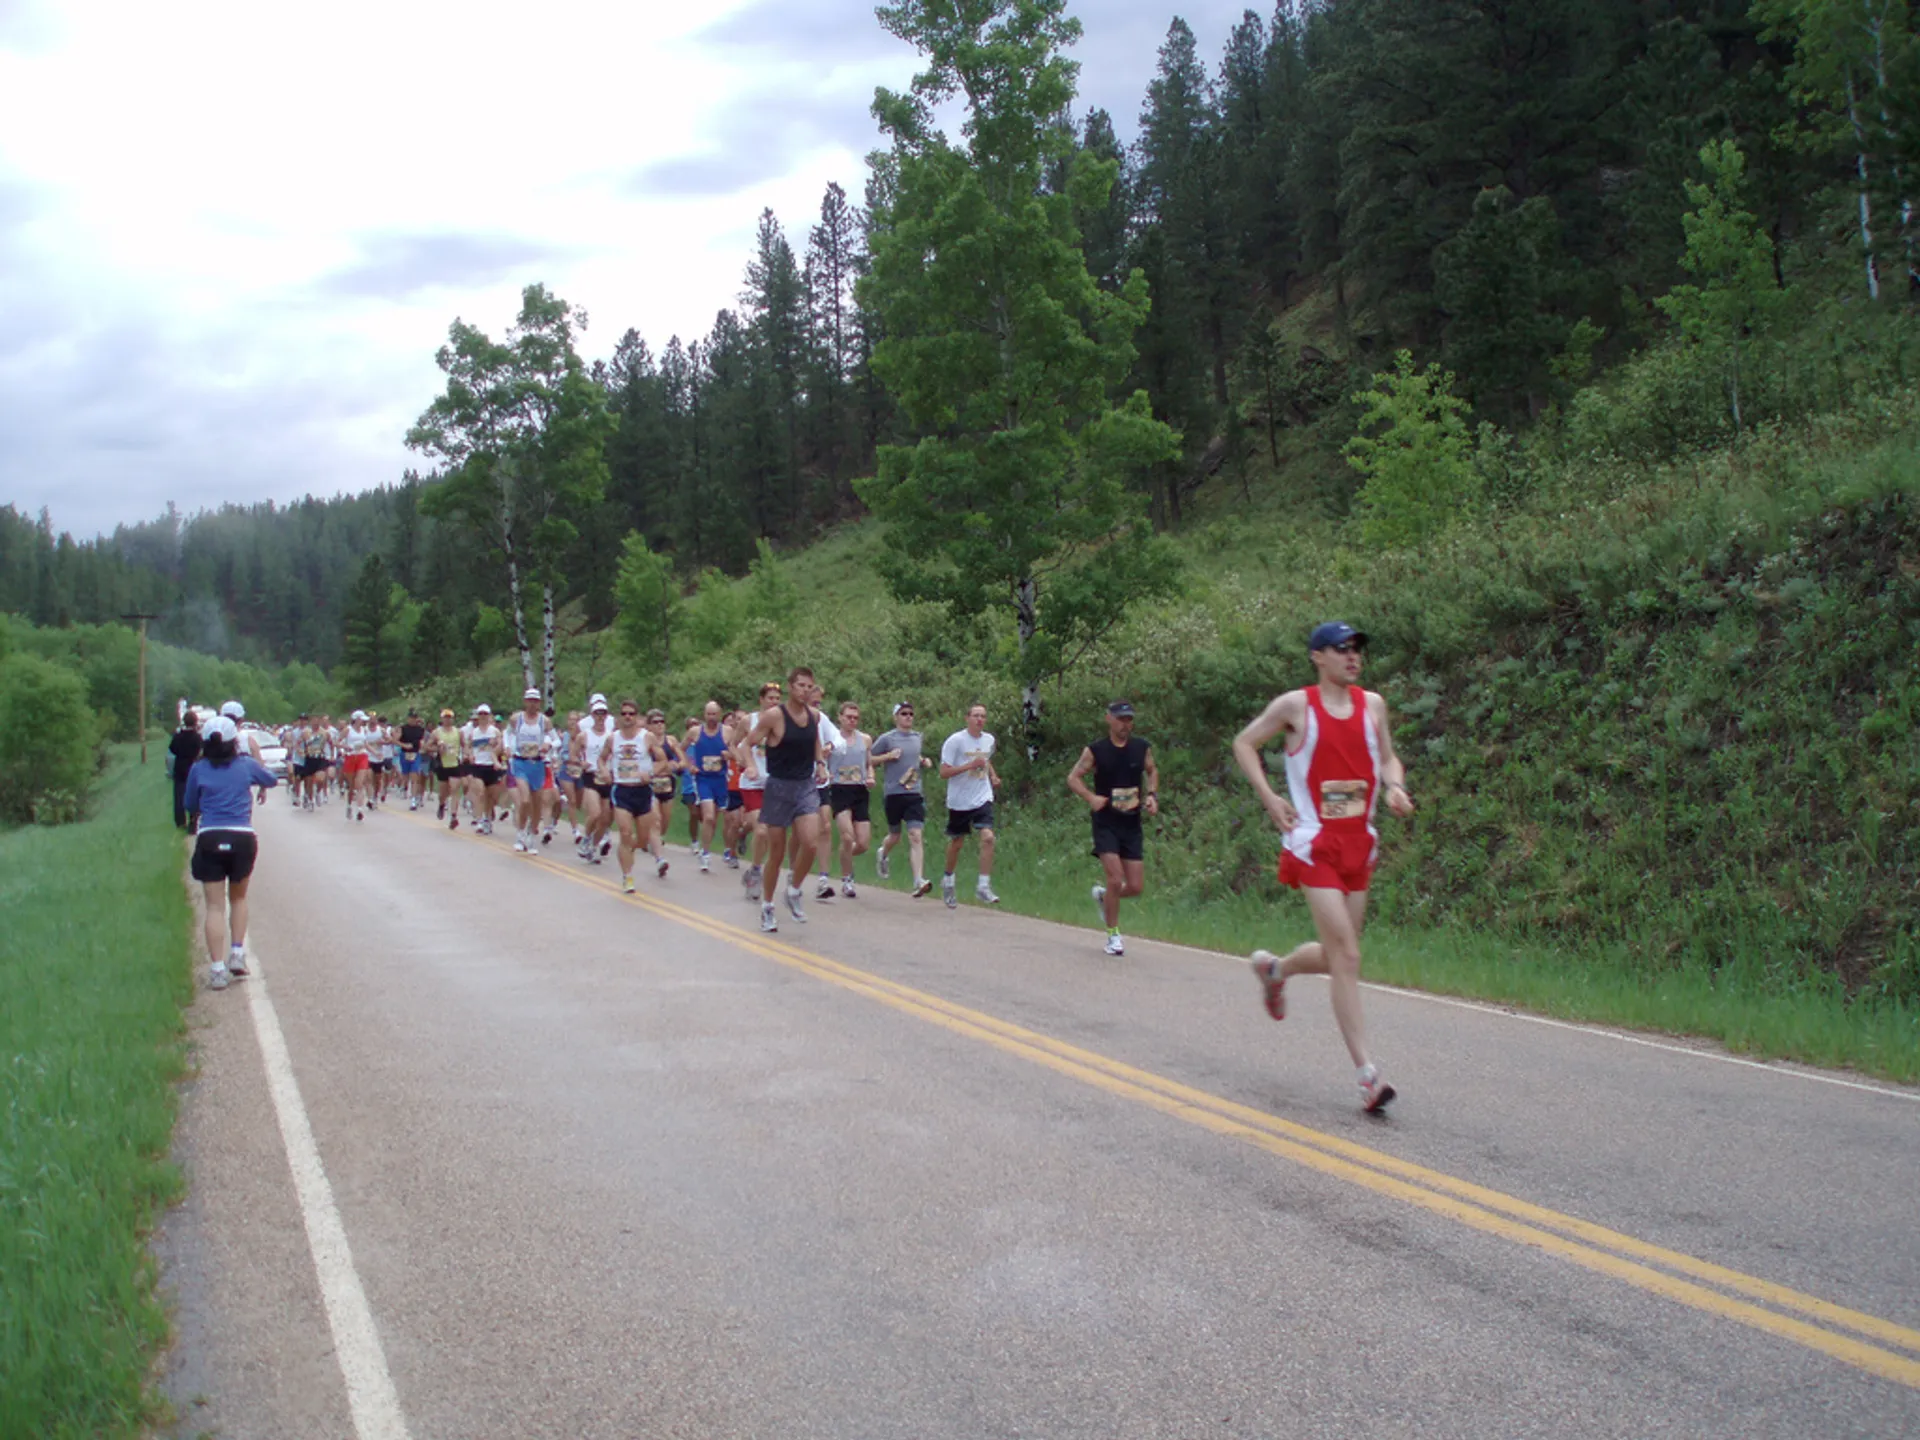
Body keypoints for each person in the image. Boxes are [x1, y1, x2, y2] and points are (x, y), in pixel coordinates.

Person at [1230, 621, 1414, 1115]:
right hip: (1314, 843)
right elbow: (1244, 743)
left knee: (1340, 956)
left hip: (1360, 842)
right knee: (1348, 957)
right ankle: (1367, 1076)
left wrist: (1395, 788)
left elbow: (1389, 760)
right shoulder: (1296, 705)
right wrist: (1270, 798)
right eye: (1342, 650)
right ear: (1318, 656)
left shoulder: (1372, 705)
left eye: (1357, 649)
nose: (1352, 657)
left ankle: (1276, 970)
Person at [183, 716, 278, 990]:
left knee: (214, 905)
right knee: (238, 898)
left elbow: (190, 803)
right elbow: (270, 779)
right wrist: (255, 762)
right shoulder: (245, 765)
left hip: (211, 835)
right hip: (241, 837)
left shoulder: (198, 769)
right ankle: (236, 953)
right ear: (232, 741)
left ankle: (216, 969)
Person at [1067, 701, 1160, 956]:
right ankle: (1113, 936)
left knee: (1136, 886)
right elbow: (1073, 778)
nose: (1125, 725)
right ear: (1108, 719)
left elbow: (1152, 771)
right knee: (1116, 878)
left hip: (1131, 822)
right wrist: (1091, 798)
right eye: (1120, 719)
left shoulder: (1141, 748)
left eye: (1129, 719)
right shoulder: (1096, 750)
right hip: (1106, 822)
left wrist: (1152, 795)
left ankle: (1105, 897)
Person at [743, 668, 828, 931]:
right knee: (776, 853)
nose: (805, 691)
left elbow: (815, 740)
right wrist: (750, 766)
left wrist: (821, 764)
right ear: (791, 687)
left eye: (809, 687)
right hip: (778, 787)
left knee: (811, 842)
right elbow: (747, 743)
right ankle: (767, 906)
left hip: (804, 786)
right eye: (801, 685)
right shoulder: (774, 716)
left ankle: (794, 890)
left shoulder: (814, 716)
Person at [869, 702, 936, 897]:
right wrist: (888, 756)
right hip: (893, 793)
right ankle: (883, 853)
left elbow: (914, 755)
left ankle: (918, 880)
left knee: (915, 834)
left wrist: (924, 761)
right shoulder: (887, 738)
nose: (908, 717)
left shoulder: (917, 737)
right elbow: (868, 759)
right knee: (895, 836)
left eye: (911, 714)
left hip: (914, 792)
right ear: (896, 717)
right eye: (903, 714)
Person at [938, 703, 1001, 908]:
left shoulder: (989, 740)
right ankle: (948, 879)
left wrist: (993, 775)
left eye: (983, 716)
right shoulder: (955, 741)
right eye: (975, 715)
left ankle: (983, 885)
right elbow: (943, 772)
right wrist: (968, 766)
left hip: (982, 796)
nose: (979, 719)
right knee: (957, 843)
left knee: (988, 837)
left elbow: (986, 759)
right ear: (967, 718)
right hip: (959, 800)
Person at [608, 699, 672, 892]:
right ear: (620, 717)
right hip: (622, 790)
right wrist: (603, 771)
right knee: (626, 833)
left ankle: (629, 851)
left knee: (642, 840)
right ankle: (627, 876)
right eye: (624, 713)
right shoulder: (613, 739)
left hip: (642, 791)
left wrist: (650, 772)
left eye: (631, 714)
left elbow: (663, 760)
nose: (627, 717)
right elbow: (602, 759)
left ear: (637, 717)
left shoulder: (647, 737)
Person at [826, 701, 874, 897]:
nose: (852, 721)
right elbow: (820, 758)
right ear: (840, 717)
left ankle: (844, 856)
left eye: (855, 718)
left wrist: (871, 775)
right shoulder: (832, 739)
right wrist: (824, 771)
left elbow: (869, 763)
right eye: (848, 717)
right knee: (847, 837)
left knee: (862, 844)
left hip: (860, 790)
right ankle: (847, 880)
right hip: (839, 789)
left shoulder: (865, 739)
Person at [504, 688, 555, 852]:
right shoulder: (516, 719)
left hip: (537, 764)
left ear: (539, 703)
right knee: (525, 800)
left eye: (535, 701)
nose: (532, 704)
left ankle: (531, 835)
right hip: (520, 762)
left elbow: (554, 738)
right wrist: (507, 747)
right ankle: (520, 834)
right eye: (529, 700)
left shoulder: (544, 721)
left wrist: (548, 744)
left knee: (537, 802)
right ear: (525, 701)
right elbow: (507, 733)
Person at [687, 700, 733, 871]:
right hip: (703, 779)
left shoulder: (727, 732)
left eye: (714, 714)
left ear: (719, 715)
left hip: (721, 780)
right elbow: (680, 749)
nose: (711, 717)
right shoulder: (695, 732)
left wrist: (728, 754)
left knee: (718, 819)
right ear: (704, 715)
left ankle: (711, 847)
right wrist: (689, 765)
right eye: (709, 714)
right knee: (708, 817)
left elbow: (737, 752)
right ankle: (705, 854)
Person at [577, 697, 617, 862]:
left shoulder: (612, 736)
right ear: (592, 715)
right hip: (591, 776)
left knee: (606, 819)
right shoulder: (585, 735)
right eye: (597, 713)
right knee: (595, 813)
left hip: (608, 777)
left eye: (603, 713)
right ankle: (586, 838)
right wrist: (581, 763)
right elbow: (573, 754)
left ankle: (593, 847)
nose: (600, 717)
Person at [462, 704, 505, 835]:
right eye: (480, 714)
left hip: (491, 766)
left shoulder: (494, 731)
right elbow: (467, 746)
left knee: (490, 796)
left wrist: (495, 747)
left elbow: (502, 745)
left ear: (489, 716)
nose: (483, 716)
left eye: (485, 714)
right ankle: (479, 819)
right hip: (478, 766)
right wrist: (469, 755)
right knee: (480, 793)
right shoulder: (473, 733)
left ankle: (487, 818)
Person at [169, 709, 203, 830]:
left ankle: (180, 822)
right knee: (194, 794)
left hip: (179, 767)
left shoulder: (178, 736)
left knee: (179, 795)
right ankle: (193, 820)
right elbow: (201, 751)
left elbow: (172, 749)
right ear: (195, 722)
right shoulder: (197, 737)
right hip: (193, 767)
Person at [398, 708, 429, 811]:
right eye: (411, 718)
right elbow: (395, 740)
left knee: (415, 776)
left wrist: (423, 747)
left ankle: (413, 800)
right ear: (408, 718)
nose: (413, 720)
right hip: (404, 753)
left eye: (415, 718)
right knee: (405, 776)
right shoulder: (403, 728)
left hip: (415, 754)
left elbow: (422, 741)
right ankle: (404, 787)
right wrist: (404, 745)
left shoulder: (420, 730)